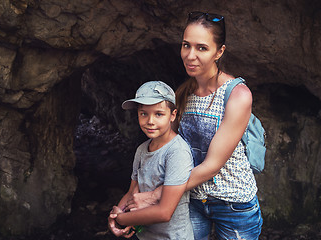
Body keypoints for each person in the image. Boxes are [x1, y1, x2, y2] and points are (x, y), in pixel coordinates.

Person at [123, 11, 263, 240]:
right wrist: (130, 206)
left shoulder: (237, 95)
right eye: (186, 45)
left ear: (219, 52)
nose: (190, 55)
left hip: (233, 204)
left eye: (201, 48)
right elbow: (166, 149)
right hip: (192, 199)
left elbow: (212, 165)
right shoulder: (182, 94)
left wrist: (155, 196)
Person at [108, 81, 194, 239]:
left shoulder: (177, 152)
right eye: (143, 114)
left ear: (173, 115)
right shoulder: (142, 150)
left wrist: (123, 218)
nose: (150, 121)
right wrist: (116, 214)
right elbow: (132, 192)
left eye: (159, 114)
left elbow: (164, 212)